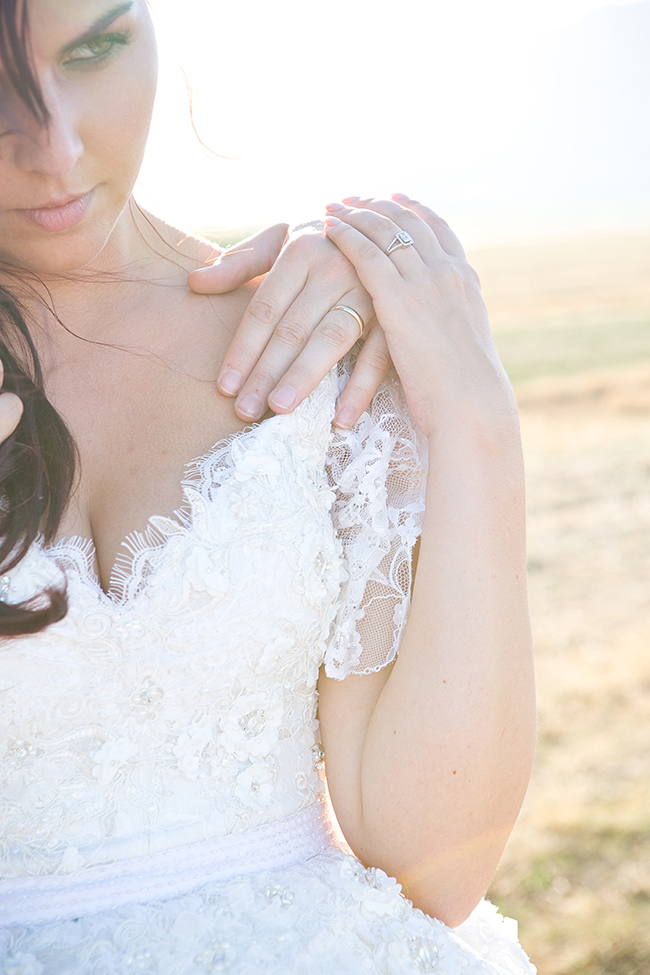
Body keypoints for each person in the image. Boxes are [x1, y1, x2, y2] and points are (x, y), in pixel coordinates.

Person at [0, 1, 537, 972]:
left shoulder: (319, 339)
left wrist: (472, 424)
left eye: (92, 49)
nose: (55, 145)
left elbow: (426, 863)